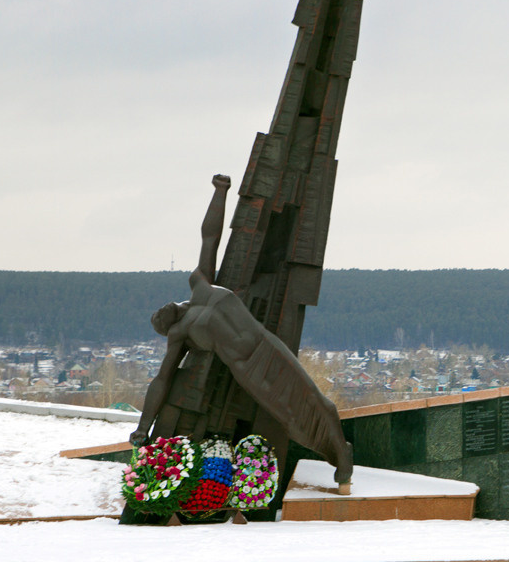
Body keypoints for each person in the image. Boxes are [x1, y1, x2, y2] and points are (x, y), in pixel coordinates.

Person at [131, 173, 353, 485]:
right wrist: (144, 426)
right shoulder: (182, 334)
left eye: (156, 312)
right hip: (250, 370)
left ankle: (342, 451)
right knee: (291, 418)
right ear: (167, 329)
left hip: (266, 345)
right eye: (158, 321)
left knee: (316, 398)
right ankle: (334, 454)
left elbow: (210, 238)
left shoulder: (199, 284)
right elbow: (161, 380)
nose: (159, 314)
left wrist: (220, 193)